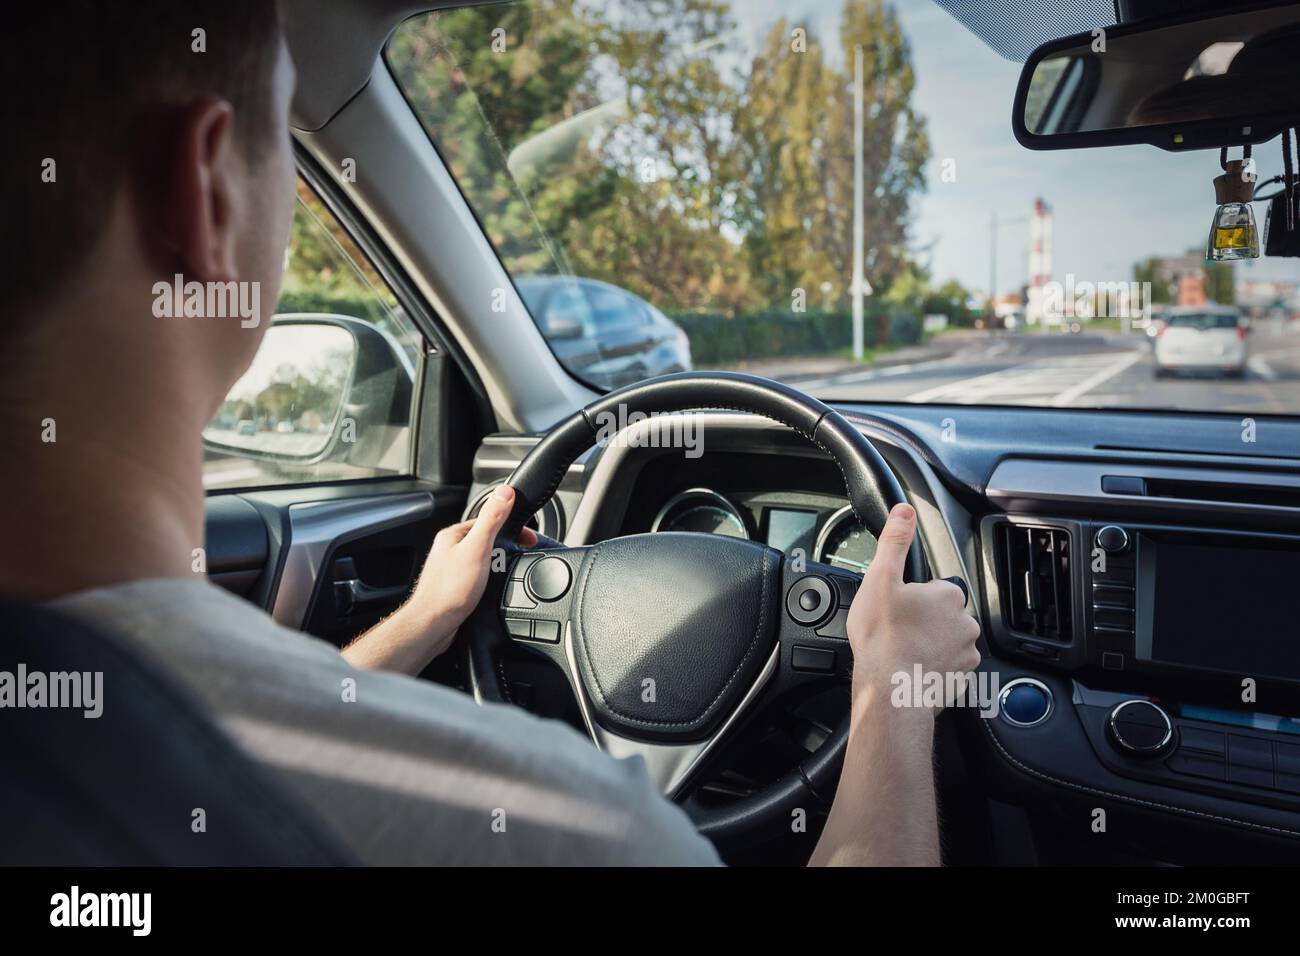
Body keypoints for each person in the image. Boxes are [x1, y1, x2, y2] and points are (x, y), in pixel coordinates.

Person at [0, 1, 980, 865]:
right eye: (281, 145)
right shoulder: (568, 827)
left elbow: (225, 743)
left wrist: (425, 621)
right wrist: (892, 687)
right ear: (205, 192)